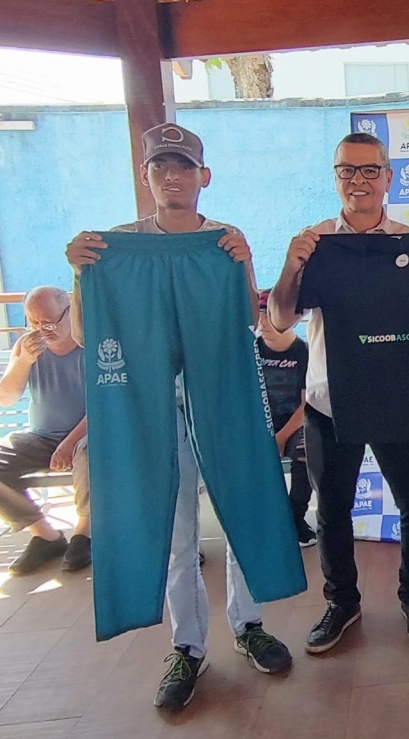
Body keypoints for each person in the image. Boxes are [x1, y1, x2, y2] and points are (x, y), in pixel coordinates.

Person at [64, 122, 291, 712]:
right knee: (176, 529)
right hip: (154, 410)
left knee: (243, 503)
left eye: (184, 165)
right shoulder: (114, 246)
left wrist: (244, 265)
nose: (173, 175)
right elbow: (88, 336)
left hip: (222, 399)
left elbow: (249, 325)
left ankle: (250, 625)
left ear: (203, 176)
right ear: (145, 177)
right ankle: (186, 645)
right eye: (161, 166)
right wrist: (79, 274)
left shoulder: (223, 240)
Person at [268, 132, 409, 653]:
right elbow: (280, 321)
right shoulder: (317, 243)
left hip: (399, 398)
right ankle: (341, 603)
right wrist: (290, 267)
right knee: (332, 510)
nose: (359, 181)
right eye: (347, 170)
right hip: (329, 402)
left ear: (389, 178)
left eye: (370, 170)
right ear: (336, 177)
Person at [0, 286, 91, 575]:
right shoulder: (27, 347)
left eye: (49, 322)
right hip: (41, 437)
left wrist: (68, 442)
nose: (42, 330)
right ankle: (44, 535)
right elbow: (6, 398)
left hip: (86, 436)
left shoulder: (90, 345)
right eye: (34, 322)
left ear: (70, 313)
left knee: (91, 456)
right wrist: (23, 362)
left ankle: (84, 533)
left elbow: (103, 406)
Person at [256, 289, 314, 547]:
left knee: (307, 451)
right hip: (258, 424)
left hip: (293, 423)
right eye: (259, 317)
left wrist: (280, 438)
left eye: (269, 316)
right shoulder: (250, 353)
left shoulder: (304, 352)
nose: (263, 324)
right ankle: (265, 520)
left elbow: (305, 406)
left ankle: (294, 517)